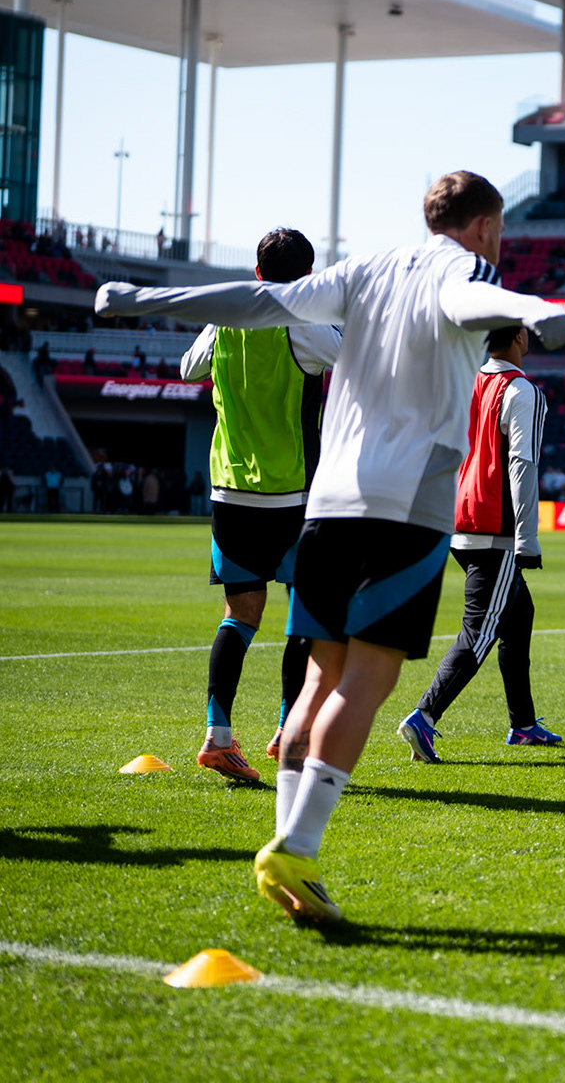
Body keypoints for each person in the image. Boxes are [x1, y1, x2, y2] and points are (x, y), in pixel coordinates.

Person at [96, 170, 565, 925]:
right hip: (407, 506)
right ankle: (296, 846)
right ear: (486, 226)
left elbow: (256, 302)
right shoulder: (471, 268)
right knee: (369, 679)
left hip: (324, 505)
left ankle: (292, 851)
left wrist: (144, 301)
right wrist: (536, 308)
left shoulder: (367, 268)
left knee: (324, 679)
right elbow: (466, 301)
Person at [176, 227, 342, 784]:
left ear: (256, 273)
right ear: (308, 279)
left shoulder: (224, 319)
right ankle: (287, 733)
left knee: (240, 616)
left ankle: (217, 738)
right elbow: (350, 356)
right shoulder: (304, 326)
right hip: (292, 493)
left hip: (229, 490)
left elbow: (187, 368)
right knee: (305, 615)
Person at [397, 323, 558, 763]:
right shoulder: (521, 390)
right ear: (520, 338)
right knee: (481, 631)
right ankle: (424, 718)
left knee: (518, 615)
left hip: (459, 518)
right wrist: (527, 539)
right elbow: (522, 463)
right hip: (495, 527)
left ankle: (523, 724)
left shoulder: (466, 381)